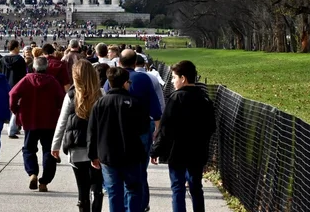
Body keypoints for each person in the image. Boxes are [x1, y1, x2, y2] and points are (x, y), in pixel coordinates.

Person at [150, 61, 216, 212]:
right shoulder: (204, 98)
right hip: (197, 151)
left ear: (183, 78)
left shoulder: (176, 99)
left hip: (177, 152)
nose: (172, 82)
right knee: (196, 187)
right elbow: (211, 126)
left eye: (174, 78)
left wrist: (156, 151)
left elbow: (165, 129)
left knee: (178, 188)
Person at [87, 67, 147, 212]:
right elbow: (143, 128)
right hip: (131, 153)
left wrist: (92, 154)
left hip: (107, 155)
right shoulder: (134, 102)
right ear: (125, 83)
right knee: (133, 190)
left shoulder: (100, 104)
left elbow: (92, 131)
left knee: (114, 192)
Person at [52, 60, 104, 212]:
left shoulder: (71, 95)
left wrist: (55, 145)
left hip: (77, 147)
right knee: (97, 186)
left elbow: (62, 122)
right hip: (97, 148)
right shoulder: (101, 93)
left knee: (82, 189)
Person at [10, 57, 65, 192]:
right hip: (49, 121)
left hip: (30, 120)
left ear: (34, 67)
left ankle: (32, 172)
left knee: (29, 149)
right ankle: (44, 182)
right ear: (47, 68)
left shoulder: (26, 79)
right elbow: (61, 99)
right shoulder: (53, 81)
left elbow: (12, 94)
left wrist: (16, 110)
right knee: (49, 151)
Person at [0, 39, 28, 139]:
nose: (19, 48)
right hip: (17, 86)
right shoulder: (20, 60)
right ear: (15, 47)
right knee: (16, 108)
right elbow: (23, 75)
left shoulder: (2, 60)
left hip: (5, 86)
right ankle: (12, 129)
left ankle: (11, 126)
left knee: (8, 106)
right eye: (18, 46)